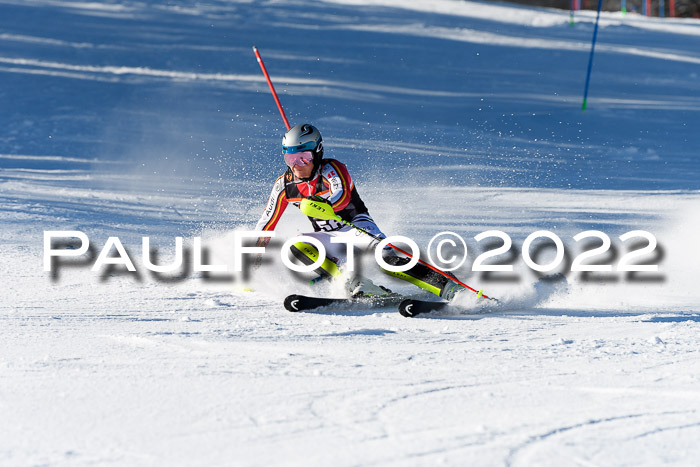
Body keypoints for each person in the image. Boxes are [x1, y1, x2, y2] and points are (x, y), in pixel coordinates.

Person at [254, 123, 465, 300]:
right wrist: (253, 260)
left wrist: (319, 202)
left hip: (357, 226)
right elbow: (267, 222)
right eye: (291, 159)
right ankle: (358, 284)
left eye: (304, 158)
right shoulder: (284, 185)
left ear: (318, 152)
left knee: (387, 261)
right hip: (330, 237)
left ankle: (449, 287)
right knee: (297, 245)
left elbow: (342, 196)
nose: (297, 166)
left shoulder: (333, 169)